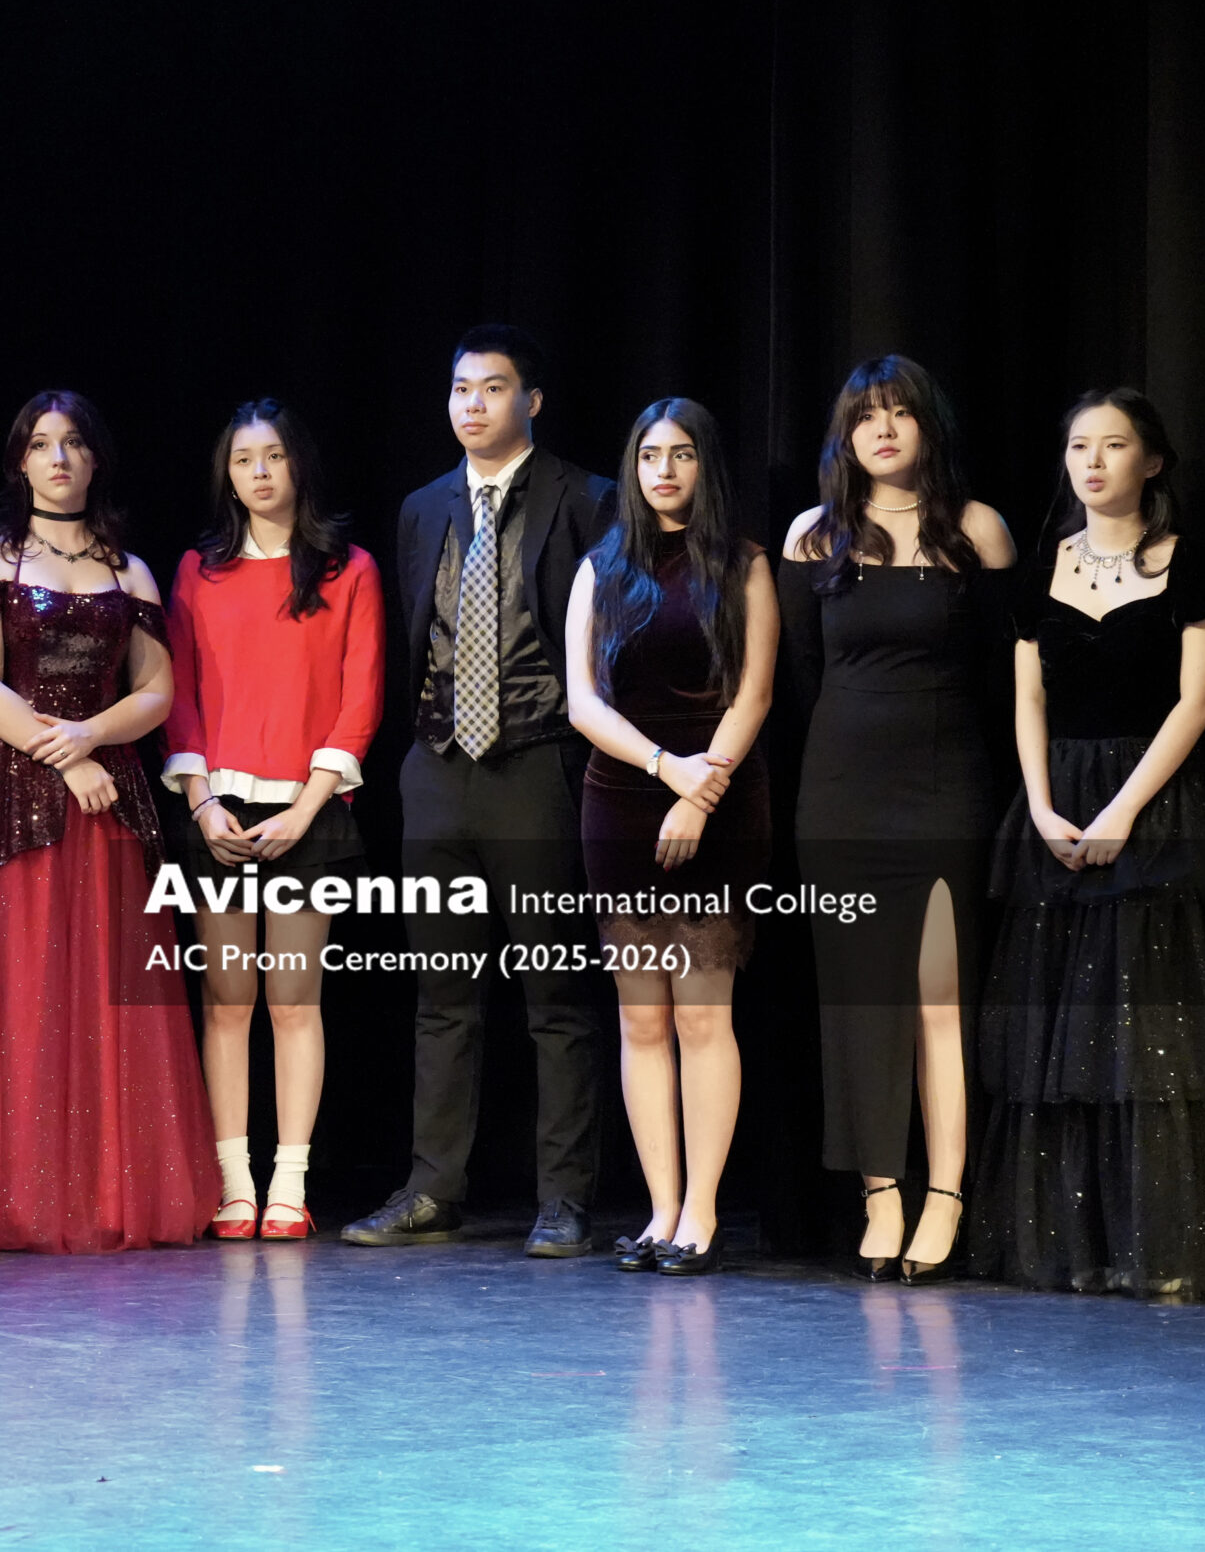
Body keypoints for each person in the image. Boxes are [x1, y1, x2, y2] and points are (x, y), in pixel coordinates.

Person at [0, 390, 217, 1252]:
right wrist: (66, 755)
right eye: (41, 444)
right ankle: (18, 1192)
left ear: (95, 459)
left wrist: (93, 737)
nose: (58, 457)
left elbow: (157, 691)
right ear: (20, 461)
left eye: (73, 442)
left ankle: (113, 1193)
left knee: (114, 995)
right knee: (24, 989)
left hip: (111, 796)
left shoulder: (130, 570)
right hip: (18, 791)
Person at [973, 390, 1205, 1297]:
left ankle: (1156, 1249)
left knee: (1144, 1036)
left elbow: (1196, 703)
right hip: (1056, 807)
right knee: (1058, 1039)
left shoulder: (1189, 564)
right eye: (1079, 447)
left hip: (1151, 807)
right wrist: (1041, 805)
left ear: (1152, 461)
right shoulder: (1039, 571)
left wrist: (1124, 812)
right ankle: (1072, 1247)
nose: (1092, 463)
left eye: (1114, 445)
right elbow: (1027, 699)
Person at [344, 326, 617, 1255]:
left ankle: (564, 1198)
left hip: (537, 765)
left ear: (530, 402)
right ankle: (433, 1188)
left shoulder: (587, 498)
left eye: (493, 389)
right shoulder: (424, 506)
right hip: (437, 771)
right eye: (461, 389)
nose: (472, 405)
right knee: (440, 993)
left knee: (556, 994)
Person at [778, 356, 1015, 1283]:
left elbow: (1002, 675)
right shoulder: (814, 537)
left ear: (927, 426)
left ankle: (946, 1193)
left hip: (944, 786)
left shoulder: (976, 530)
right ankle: (882, 1193)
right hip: (841, 792)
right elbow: (804, 673)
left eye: (899, 413)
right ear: (845, 436)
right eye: (865, 416)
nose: (882, 430)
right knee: (859, 1003)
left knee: (937, 1001)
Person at [159, 401, 383, 1240]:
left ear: (299, 466)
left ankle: (288, 1184)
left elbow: (360, 699)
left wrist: (306, 808)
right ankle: (234, 1184)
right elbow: (178, 693)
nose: (259, 472)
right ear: (227, 473)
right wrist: (202, 800)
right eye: (244, 459)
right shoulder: (198, 570)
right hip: (217, 808)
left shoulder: (347, 569)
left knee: (293, 1001)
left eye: (274, 456)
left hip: (309, 810)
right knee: (227, 1002)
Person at [566, 398, 776, 1276]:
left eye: (681, 454)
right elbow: (583, 703)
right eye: (650, 454)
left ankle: (702, 1212)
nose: (663, 470)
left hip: (719, 804)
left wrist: (700, 792)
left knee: (700, 1015)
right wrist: (663, 770)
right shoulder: (602, 566)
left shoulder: (744, 564)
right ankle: (659, 1209)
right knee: (641, 1019)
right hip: (621, 800)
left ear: (704, 464)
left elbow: (754, 693)